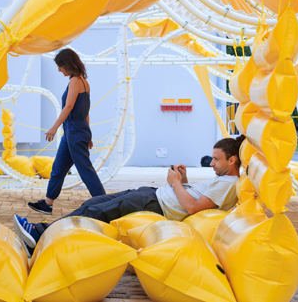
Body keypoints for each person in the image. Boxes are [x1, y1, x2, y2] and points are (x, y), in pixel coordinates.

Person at [14, 135, 245, 255]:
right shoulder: (222, 179)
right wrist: (183, 181)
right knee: (93, 203)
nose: (211, 163)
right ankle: (41, 233)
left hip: (156, 204)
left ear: (232, 160)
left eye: (216, 159)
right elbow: (194, 197)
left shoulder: (228, 183)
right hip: (152, 194)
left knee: (95, 212)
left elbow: (194, 208)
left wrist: (176, 184)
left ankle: (39, 234)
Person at [27, 49, 105, 215]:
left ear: (68, 64)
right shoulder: (83, 81)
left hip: (74, 130)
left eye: (60, 66)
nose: (59, 70)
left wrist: (54, 127)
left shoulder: (75, 81)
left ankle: (104, 203)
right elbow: (86, 112)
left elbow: (69, 107)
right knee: (59, 168)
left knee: (85, 169)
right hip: (75, 130)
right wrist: (88, 133)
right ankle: (48, 203)